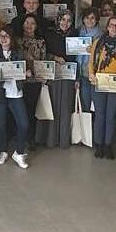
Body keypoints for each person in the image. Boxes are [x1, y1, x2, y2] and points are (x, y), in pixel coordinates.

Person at [89, 16, 116, 159]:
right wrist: (91, 75)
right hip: (99, 83)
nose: (114, 28)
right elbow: (91, 62)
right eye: (112, 25)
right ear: (107, 27)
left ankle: (108, 145)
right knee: (100, 115)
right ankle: (98, 145)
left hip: (115, 84)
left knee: (111, 116)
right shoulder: (98, 42)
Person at [0, 27, 30, 169]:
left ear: (12, 38)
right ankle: (3, 151)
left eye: (6, 36)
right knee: (1, 125)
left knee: (23, 123)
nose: (3, 39)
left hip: (15, 92)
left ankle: (19, 152)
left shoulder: (19, 53)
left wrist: (27, 73)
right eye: (1, 36)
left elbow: (28, 70)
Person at [38, 10, 77, 148]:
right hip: (53, 74)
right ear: (58, 20)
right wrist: (54, 57)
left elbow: (78, 56)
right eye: (63, 19)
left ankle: (63, 139)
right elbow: (43, 53)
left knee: (66, 107)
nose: (66, 23)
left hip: (69, 76)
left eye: (69, 20)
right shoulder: (49, 33)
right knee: (52, 106)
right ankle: (51, 139)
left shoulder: (75, 34)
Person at [17, 14, 46, 150]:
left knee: (31, 110)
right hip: (19, 81)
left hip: (35, 81)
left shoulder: (41, 41)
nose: (29, 25)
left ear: (36, 26)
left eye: (32, 23)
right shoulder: (16, 41)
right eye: (27, 22)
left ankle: (31, 138)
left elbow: (43, 60)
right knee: (19, 112)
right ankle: (20, 137)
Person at [77, 8, 101, 113]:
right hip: (81, 73)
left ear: (97, 20)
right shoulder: (78, 32)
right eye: (87, 18)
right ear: (83, 19)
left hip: (95, 74)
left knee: (96, 105)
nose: (89, 20)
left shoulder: (101, 34)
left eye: (92, 18)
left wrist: (94, 50)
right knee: (84, 104)